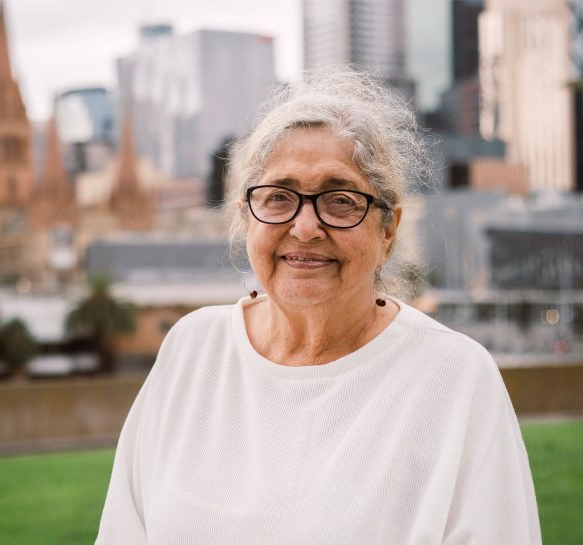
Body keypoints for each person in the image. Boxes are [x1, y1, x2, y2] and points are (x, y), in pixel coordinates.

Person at [95, 67, 541, 544]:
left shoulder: (454, 377)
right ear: (247, 216)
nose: (305, 228)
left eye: (340, 200)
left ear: (388, 229)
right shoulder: (191, 348)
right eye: (278, 197)